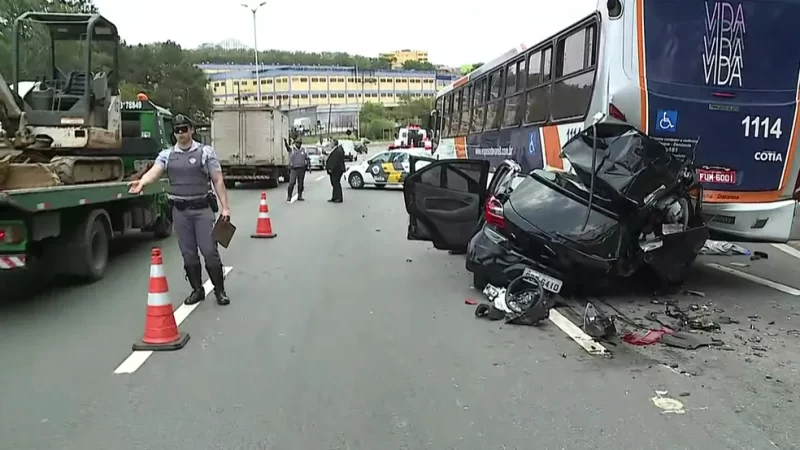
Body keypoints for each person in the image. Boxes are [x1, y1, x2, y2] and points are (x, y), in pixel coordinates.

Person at [128, 114, 231, 306]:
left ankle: (219, 290)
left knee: (209, 251)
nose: (181, 133)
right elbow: (155, 172)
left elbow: (217, 180)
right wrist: (142, 182)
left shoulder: (206, 152)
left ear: (192, 130)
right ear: (173, 133)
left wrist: (225, 207)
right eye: (177, 130)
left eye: (185, 129)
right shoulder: (167, 155)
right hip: (180, 212)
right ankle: (197, 290)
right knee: (188, 253)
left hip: (202, 210)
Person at [284, 137, 310, 202]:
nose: (298, 144)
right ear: (295, 143)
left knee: (300, 183)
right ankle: (289, 196)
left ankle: (300, 195)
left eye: (299, 143)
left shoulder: (304, 150)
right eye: (297, 143)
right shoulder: (292, 149)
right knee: (292, 183)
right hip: (294, 168)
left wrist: (309, 167)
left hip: (302, 168)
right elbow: (288, 148)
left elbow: (307, 158)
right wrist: (286, 143)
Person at [326, 138, 346, 203]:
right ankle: (334, 197)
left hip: (337, 170)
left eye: (331, 142)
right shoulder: (335, 150)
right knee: (334, 183)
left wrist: (331, 168)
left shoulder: (338, 150)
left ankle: (339, 198)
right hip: (335, 170)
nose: (330, 143)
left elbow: (336, 161)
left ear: (334, 143)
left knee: (336, 183)